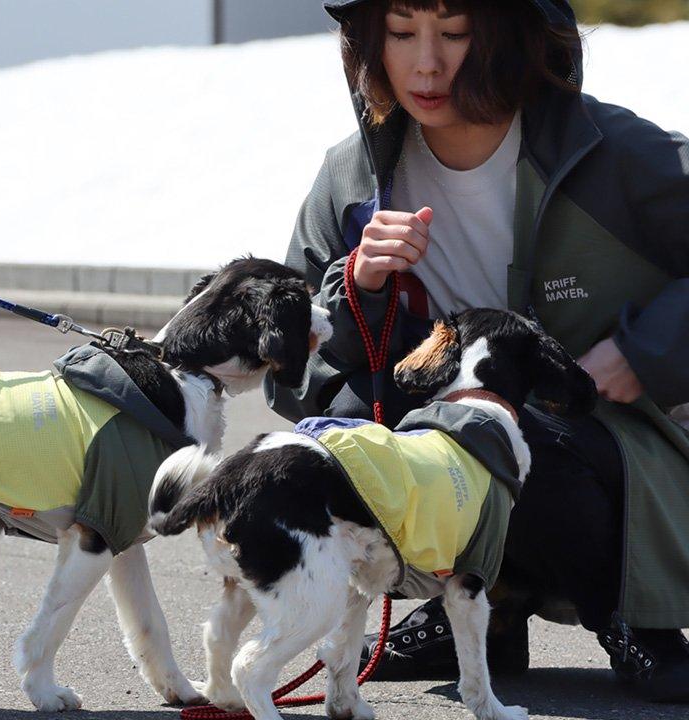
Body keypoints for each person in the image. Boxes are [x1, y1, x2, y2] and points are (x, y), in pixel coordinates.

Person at [264, 0, 689, 702]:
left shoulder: (609, 149)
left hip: (616, 443)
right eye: (400, 33)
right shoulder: (350, 180)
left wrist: (644, 351)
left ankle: (634, 619)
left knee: (510, 433)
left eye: (454, 32)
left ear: (509, 33)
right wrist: (357, 290)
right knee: (355, 429)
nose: (425, 62)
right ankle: (483, 614)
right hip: (468, 442)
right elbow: (292, 382)